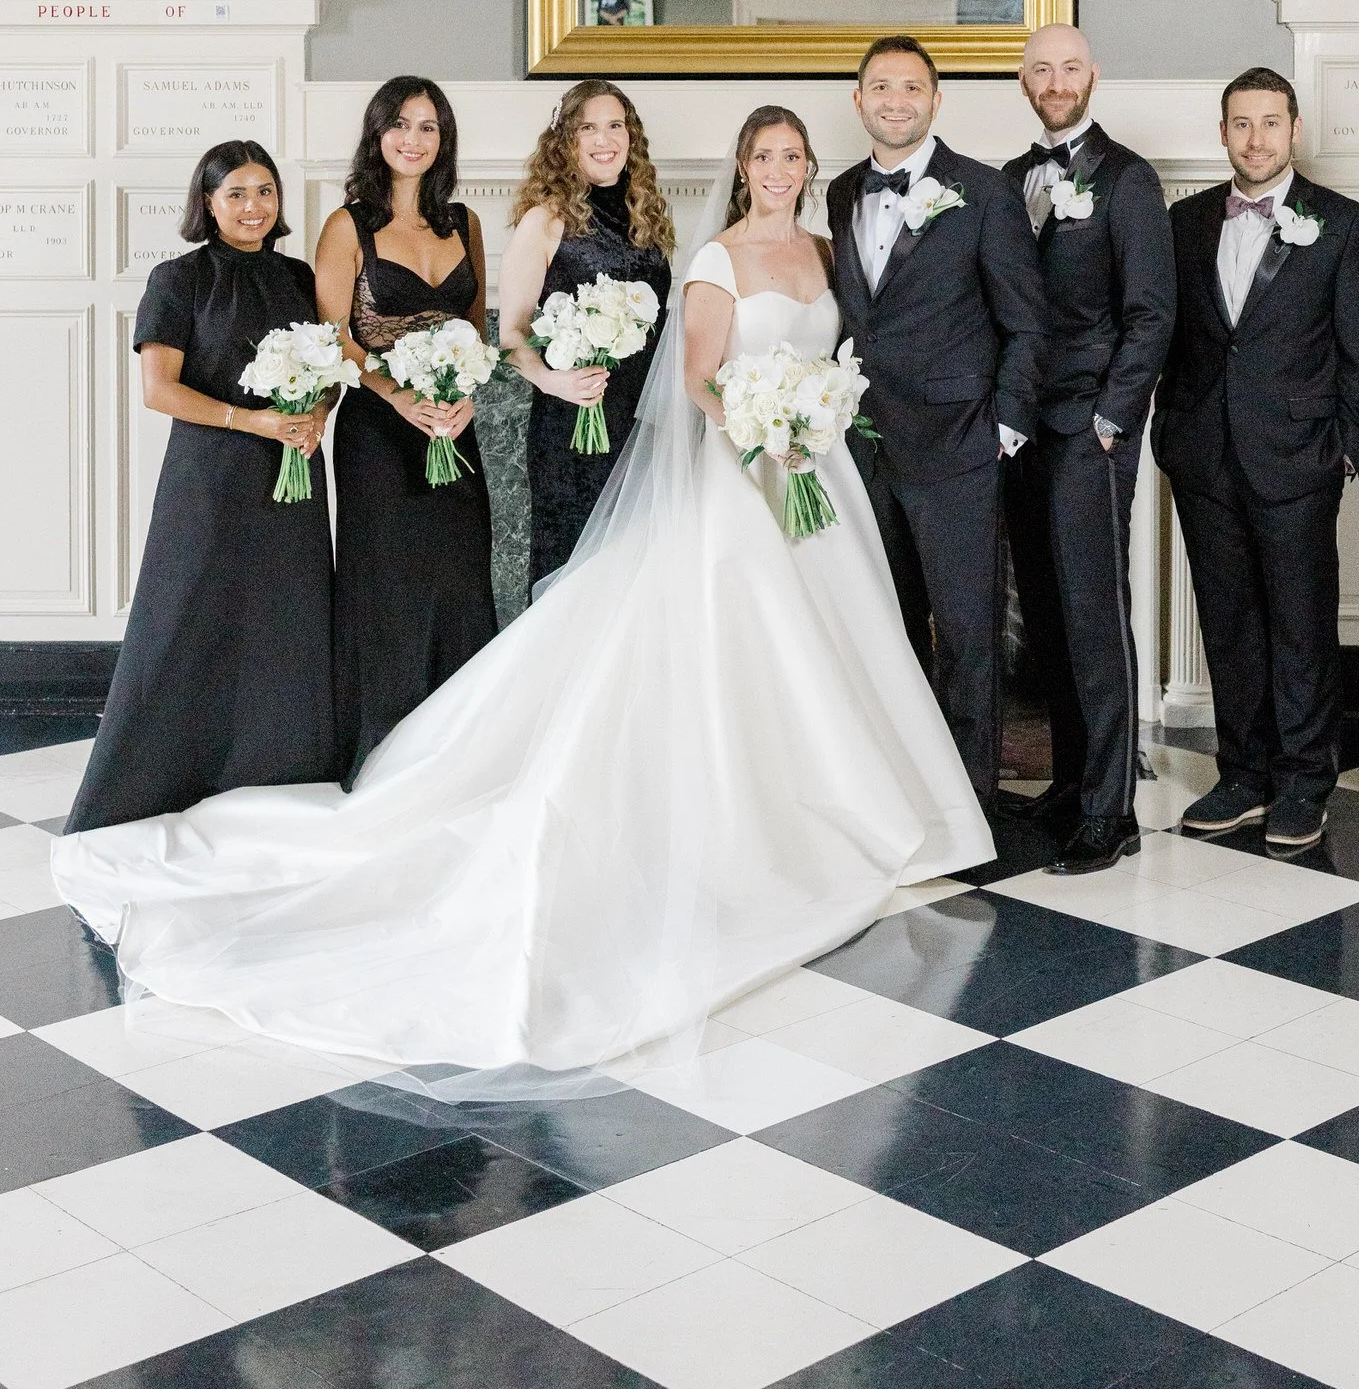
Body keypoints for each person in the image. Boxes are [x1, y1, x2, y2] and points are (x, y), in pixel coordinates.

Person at [52, 109, 993, 1074]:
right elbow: (462, 337)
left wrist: (801, 413)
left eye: (792, 156)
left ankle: (819, 791)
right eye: (763, 155)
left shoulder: (692, 233)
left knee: (782, 626)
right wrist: (529, 380)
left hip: (722, 443)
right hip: (513, 433)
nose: (779, 170)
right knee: (622, 611)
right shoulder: (476, 227)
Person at [64, 144, 336, 834]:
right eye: (237, 193)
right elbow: (159, 391)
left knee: (287, 619)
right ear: (208, 203)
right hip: (209, 475)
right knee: (187, 614)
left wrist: (314, 419)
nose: (254, 207)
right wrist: (254, 421)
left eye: (266, 192)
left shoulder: (301, 276)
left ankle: (280, 767)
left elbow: (330, 369)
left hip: (291, 477)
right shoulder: (178, 280)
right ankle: (160, 774)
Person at [1154, 68, 1359, 853]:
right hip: (1203, 455)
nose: (1255, 139)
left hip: (1297, 458)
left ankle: (1303, 781)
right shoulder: (1182, 224)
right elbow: (1170, 337)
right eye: (1240, 124)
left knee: (1300, 624)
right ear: (1222, 133)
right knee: (1228, 622)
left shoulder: (1342, 225)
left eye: (1269, 123)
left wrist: (1343, 449)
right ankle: (1242, 773)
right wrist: (1170, 432)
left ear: (1293, 130)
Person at [826, 35, 1047, 811]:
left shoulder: (982, 192)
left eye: (911, 87)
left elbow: (1026, 321)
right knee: (883, 627)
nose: (895, 100)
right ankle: (900, 789)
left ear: (935, 100)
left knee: (966, 632)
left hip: (959, 445)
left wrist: (1004, 427)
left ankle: (966, 803)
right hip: (863, 448)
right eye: (880, 87)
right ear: (858, 100)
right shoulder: (840, 190)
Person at [999, 24, 1175, 873]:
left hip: (1089, 433)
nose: (1055, 80)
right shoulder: (1005, 182)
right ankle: (1069, 784)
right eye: (1041, 69)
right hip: (1018, 435)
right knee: (1048, 617)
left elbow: (1151, 313)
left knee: (1096, 618)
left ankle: (1112, 809)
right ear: (1024, 82)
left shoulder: (1127, 179)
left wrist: (1112, 419)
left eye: (1069, 67)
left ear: (1091, 76)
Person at [316, 77, 497, 781]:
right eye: (400, 124)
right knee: (386, 585)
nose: (413, 139)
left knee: (458, 582)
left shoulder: (464, 223)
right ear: (377, 134)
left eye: (428, 126)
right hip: (377, 430)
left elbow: (475, 330)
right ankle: (381, 750)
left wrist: (467, 401)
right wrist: (398, 398)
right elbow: (334, 339)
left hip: (453, 426)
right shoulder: (347, 225)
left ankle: (460, 751)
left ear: (443, 139)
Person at [500, 78, 674, 591]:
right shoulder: (545, 221)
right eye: (588, 128)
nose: (604, 139)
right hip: (571, 423)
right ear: (566, 143)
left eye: (615, 126)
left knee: (638, 574)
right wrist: (553, 381)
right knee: (576, 572)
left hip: (642, 422)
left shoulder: (648, 218)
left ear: (630, 136)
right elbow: (511, 333)